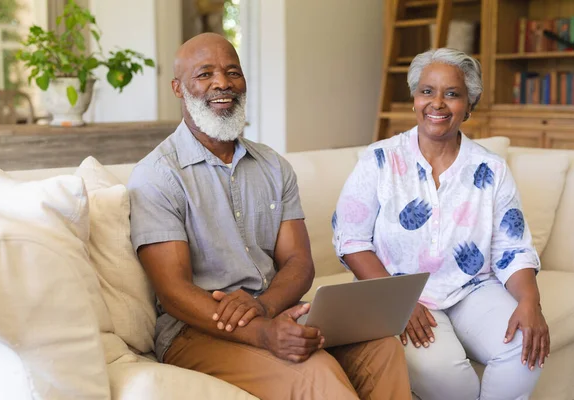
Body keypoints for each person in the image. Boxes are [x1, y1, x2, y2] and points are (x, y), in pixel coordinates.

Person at [127, 32, 411, 400]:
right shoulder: (157, 175)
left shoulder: (273, 166)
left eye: (233, 72)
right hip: (196, 331)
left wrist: (264, 308)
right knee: (313, 371)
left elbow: (298, 262)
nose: (222, 83)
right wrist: (261, 331)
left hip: (272, 309)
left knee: (383, 348)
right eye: (204, 74)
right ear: (178, 88)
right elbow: (174, 292)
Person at [332, 48, 549, 400]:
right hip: (402, 291)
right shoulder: (379, 160)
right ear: (415, 98)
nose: (438, 103)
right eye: (427, 91)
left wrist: (530, 302)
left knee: (526, 345)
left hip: (474, 288)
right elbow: (352, 241)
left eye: (452, 94)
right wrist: (395, 302)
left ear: (469, 104)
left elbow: (513, 248)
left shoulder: (491, 169)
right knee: (452, 383)